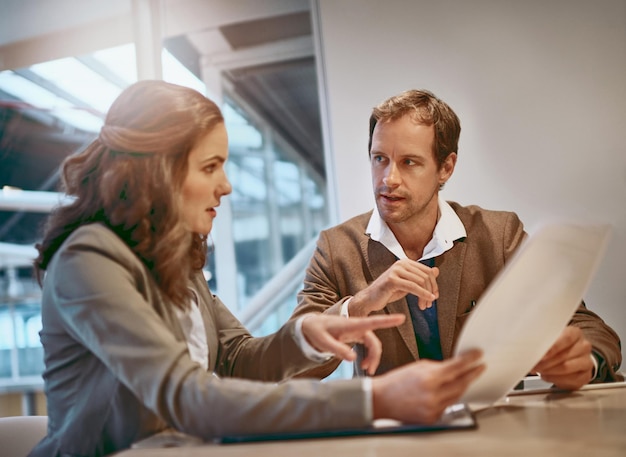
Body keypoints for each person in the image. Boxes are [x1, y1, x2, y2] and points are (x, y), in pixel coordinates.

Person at [28, 81, 485, 457]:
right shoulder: (88, 259)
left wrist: (308, 335)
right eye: (210, 167)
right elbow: (188, 397)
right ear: (156, 172)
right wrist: (375, 399)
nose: (226, 186)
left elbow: (236, 360)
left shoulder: (173, 261)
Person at [291, 89, 622, 389]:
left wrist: (585, 360)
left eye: (409, 162)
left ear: (446, 167)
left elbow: (587, 327)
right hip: (393, 437)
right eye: (380, 159)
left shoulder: (498, 235)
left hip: (495, 432)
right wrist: (360, 304)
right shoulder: (337, 248)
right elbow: (293, 363)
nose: (388, 179)